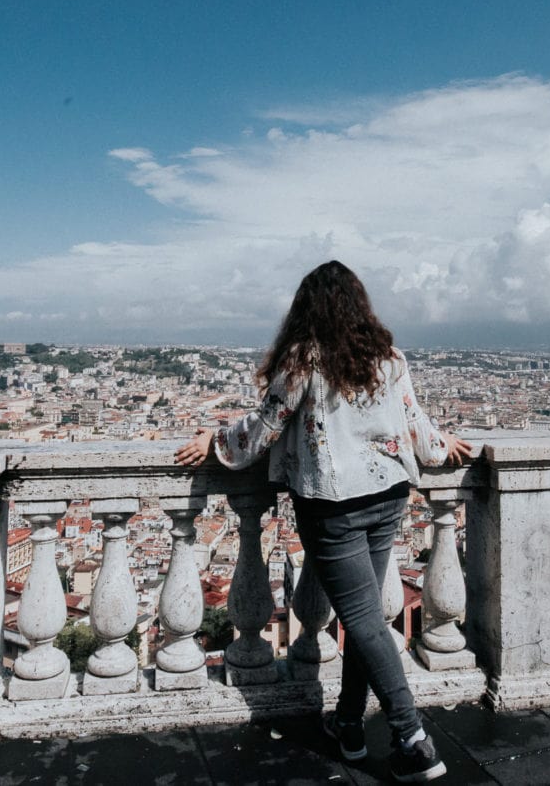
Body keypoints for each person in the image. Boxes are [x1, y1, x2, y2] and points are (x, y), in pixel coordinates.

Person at [175, 261, 473, 783]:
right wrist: (440, 446)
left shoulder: (303, 360)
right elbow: (414, 423)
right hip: (389, 494)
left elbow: (264, 428)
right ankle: (351, 726)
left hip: (333, 504)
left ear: (306, 309)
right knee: (363, 619)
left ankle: (413, 739)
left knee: (362, 620)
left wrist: (215, 441)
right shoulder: (389, 357)